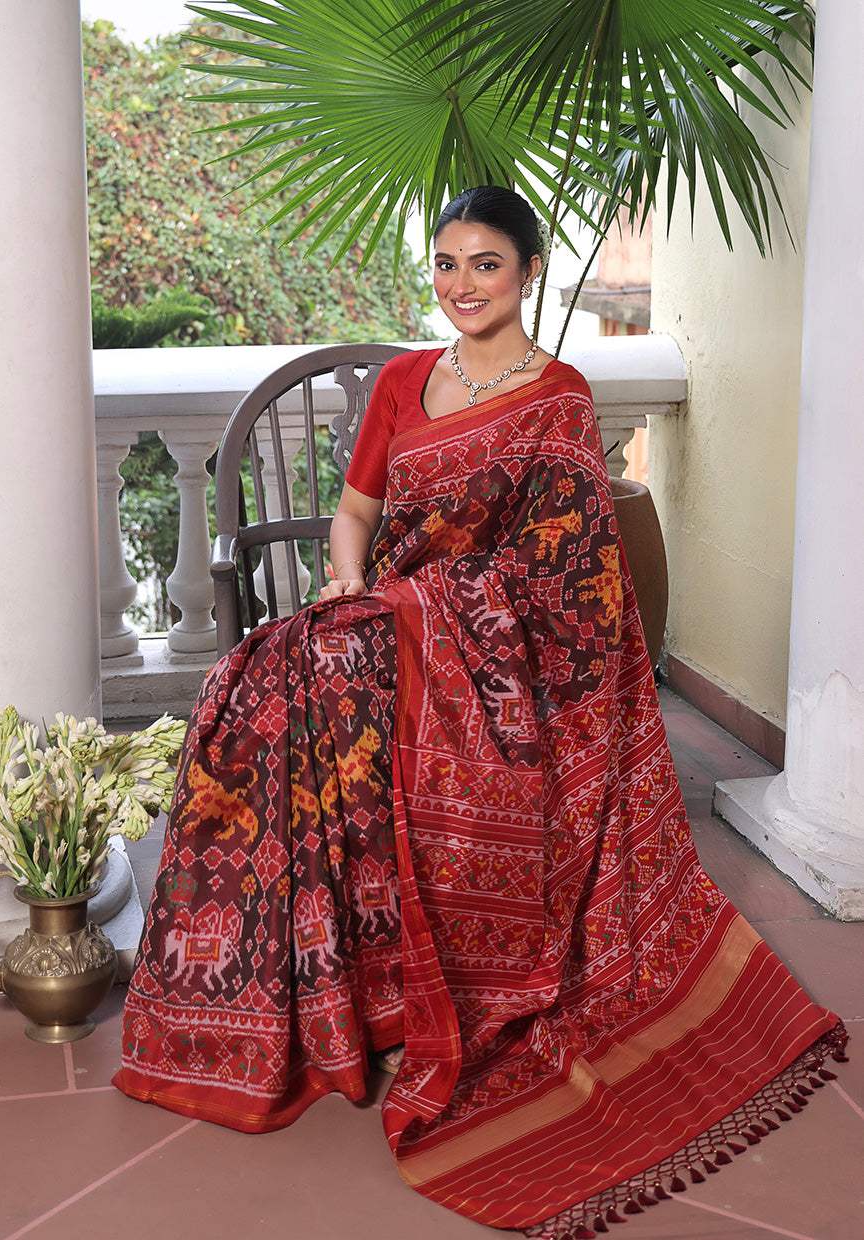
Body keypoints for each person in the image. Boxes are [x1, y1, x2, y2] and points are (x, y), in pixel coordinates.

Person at [113, 186, 848, 1239]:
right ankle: (321, 1004)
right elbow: (357, 509)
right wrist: (353, 584)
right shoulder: (408, 382)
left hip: (509, 660)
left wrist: (431, 613)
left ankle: (404, 989)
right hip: (392, 614)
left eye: (486, 264)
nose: (462, 285)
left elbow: (566, 578)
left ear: (529, 272)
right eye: (448, 264)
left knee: (327, 686)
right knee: (264, 683)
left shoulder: (559, 398)